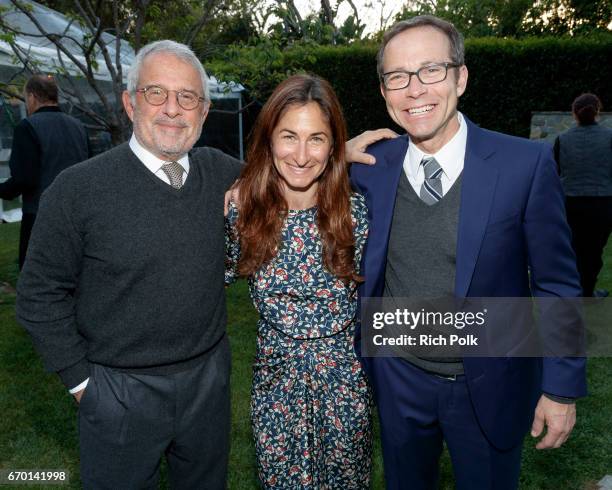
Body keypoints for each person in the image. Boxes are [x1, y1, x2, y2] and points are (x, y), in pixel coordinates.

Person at [347, 15, 587, 490]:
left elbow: (557, 282)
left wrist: (561, 386)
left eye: (431, 70)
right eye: (398, 77)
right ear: (384, 92)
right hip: (398, 379)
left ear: (461, 77)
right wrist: (336, 153)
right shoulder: (370, 168)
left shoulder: (525, 164)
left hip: (490, 383)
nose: (415, 89)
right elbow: (293, 173)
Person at [16, 40, 241, 489]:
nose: (172, 109)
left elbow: (294, 174)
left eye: (187, 97)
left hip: (207, 384)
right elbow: (38, 294)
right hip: (117, 391)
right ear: (129, 102)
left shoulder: (223, 171)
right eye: (156, 92)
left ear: (204, 110)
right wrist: (83, 384)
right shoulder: (77, 189)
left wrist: (343, 155)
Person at [225, 74, 372, 489]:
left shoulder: (359, 214)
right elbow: (196, 283)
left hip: (346, 389)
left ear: (334, 144)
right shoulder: (242, 214)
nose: (302, 155)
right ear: (269, 139)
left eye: (318, 139)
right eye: (289, 136)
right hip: (275, 389)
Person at [0, 74, 89, 269]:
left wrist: (3, 190)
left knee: (36, 279)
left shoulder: (28, 127)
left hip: (41, 216)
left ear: (32, 96)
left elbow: (25, 178)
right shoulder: (79, 127)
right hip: (78, 217)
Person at [554, 93, 612, 298]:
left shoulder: (563, 139)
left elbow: (556, 172)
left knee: (573, 249)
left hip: (571, 203)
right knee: (594, 252)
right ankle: (586, 292)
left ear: (574, 113)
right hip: (602, 202)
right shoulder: (609, 137)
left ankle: (575, 291)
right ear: (598, 111)